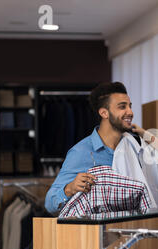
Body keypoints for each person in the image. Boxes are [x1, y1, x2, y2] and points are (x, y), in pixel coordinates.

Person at [44, 82, 133, 214]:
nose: (130, 112)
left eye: (130, 106)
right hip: (97, 233)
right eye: (122, 107)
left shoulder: (134, 148)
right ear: (104, 113)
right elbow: (49, 203)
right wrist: (70, 188)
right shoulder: (80, 153)